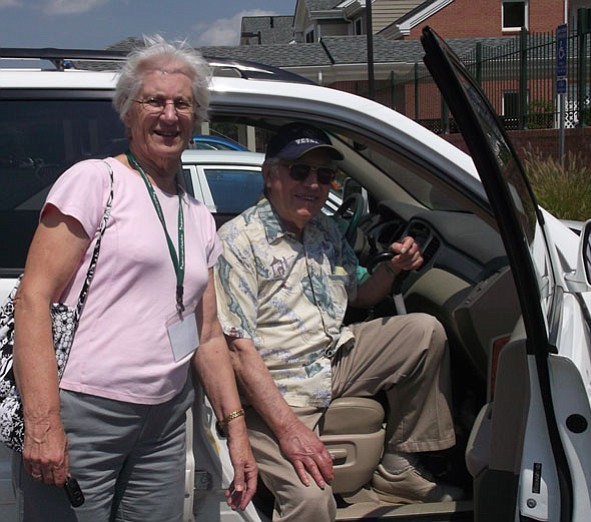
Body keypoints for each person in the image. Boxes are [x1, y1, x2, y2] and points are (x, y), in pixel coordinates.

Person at [12, 36, 257, 522]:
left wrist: (238, 432)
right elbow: (33, 299)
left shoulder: (197, 215)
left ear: (196, 118)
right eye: (155, 101)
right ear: (127, 113)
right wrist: (42, 423)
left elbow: (206, 335)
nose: (170, 114)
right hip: (84, 412)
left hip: (165, 422)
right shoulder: (95, 181)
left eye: (183, 103)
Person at [215, 122, 462, 521]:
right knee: (312, 500)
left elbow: (360, 296)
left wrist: (393, 269)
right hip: (274, 390)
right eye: (300, 171)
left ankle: (398, 466)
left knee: (423, 331)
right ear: (270, 175)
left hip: (331, 360)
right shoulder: (239, 242)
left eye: (325, 176)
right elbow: (238, 353)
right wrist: (291, 430)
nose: (313, 184)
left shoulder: (324, 230)